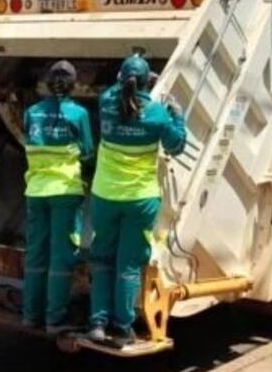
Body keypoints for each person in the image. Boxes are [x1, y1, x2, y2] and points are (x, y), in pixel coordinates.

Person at [88, 55, 186, 345]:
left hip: (105, 196)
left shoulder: (106, 103)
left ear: (121, 79)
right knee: (128, 265)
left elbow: (116, 90)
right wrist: (178, 115)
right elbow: (177, 145)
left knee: (103, 258)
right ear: (146, 82)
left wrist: (132, 80)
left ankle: (97, 323)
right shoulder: (157, 114)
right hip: (140, 201)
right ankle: (123, 326)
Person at [22, 60, 94, 333]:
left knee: (36, 253)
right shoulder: (79, 114)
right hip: (65, 192)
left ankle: (31, 314)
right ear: (74, 84)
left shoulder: (31, 112)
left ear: (48, 83)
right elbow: (87, 152)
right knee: (60, 257)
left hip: (36, 191)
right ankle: (55, 318)